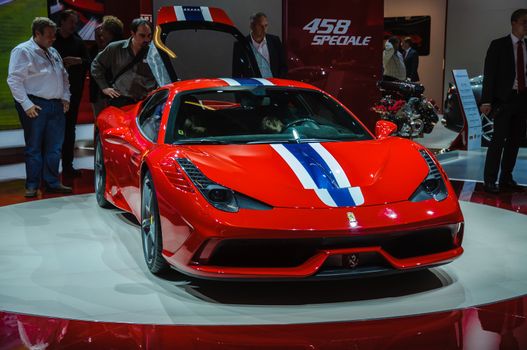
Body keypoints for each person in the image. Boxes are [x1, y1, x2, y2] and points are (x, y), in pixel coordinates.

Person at [7, 17, 72, 197]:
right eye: (50, 36)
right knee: (34, 147)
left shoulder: (53, 51)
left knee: (55, 147)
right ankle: (32, 185)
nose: (53, 39)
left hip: (56, 105)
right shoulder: (23, 51)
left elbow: (64, 76)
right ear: (37, 34)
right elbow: (14, 80)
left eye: (54, 35)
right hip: (35, 104)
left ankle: (51, 182)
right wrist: (26, 105)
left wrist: (65, 97)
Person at [480, 9, 527, 193]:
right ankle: (490, 180)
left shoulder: (526, 46)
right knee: (498, 141)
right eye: (524, 21)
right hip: (504, 100)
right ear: (514, 23)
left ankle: (506, 177)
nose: (526, 25)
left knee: (515, 141)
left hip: (522, 99)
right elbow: (489, 74)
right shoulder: (498, 45)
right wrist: (486, 101)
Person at [53, 9, 88, 177]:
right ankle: (50, 169)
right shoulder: (51, 40)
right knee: (51, 130)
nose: (75, 25)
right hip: (51, 94)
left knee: (69, 129)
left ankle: (67, 166)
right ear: (62, 22)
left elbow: (90, 63)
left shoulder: (78, 42)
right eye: (72, 22)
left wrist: (78, 60)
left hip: (73, 93)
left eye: (76, 22)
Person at [91, 18, 157, 107]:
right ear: (133, 33)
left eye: (149, 36)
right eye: (142, 35)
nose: (146, 39)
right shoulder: (115, 48)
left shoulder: (154, 52)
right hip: (120, 99)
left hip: (145, 101)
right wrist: (104, 87)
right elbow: (96, 65)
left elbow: (161, 74)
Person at [233, 12, 288, 78]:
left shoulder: (275, 41)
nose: (264, 29)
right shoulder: (240, 45)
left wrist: (278, 84)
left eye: (266, 25)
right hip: (252, 86)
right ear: (252, 26)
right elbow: (236, 72)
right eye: (260, 26)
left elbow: (283, 66)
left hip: (273, 86)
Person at [89, 16, 124, 117]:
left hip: (114, 93)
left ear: (109, 31)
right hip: (116, 93)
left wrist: (104, 87)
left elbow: (95, 67)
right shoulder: (121, 45)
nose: (100, 31)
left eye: (102, 28)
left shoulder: (112, 47)